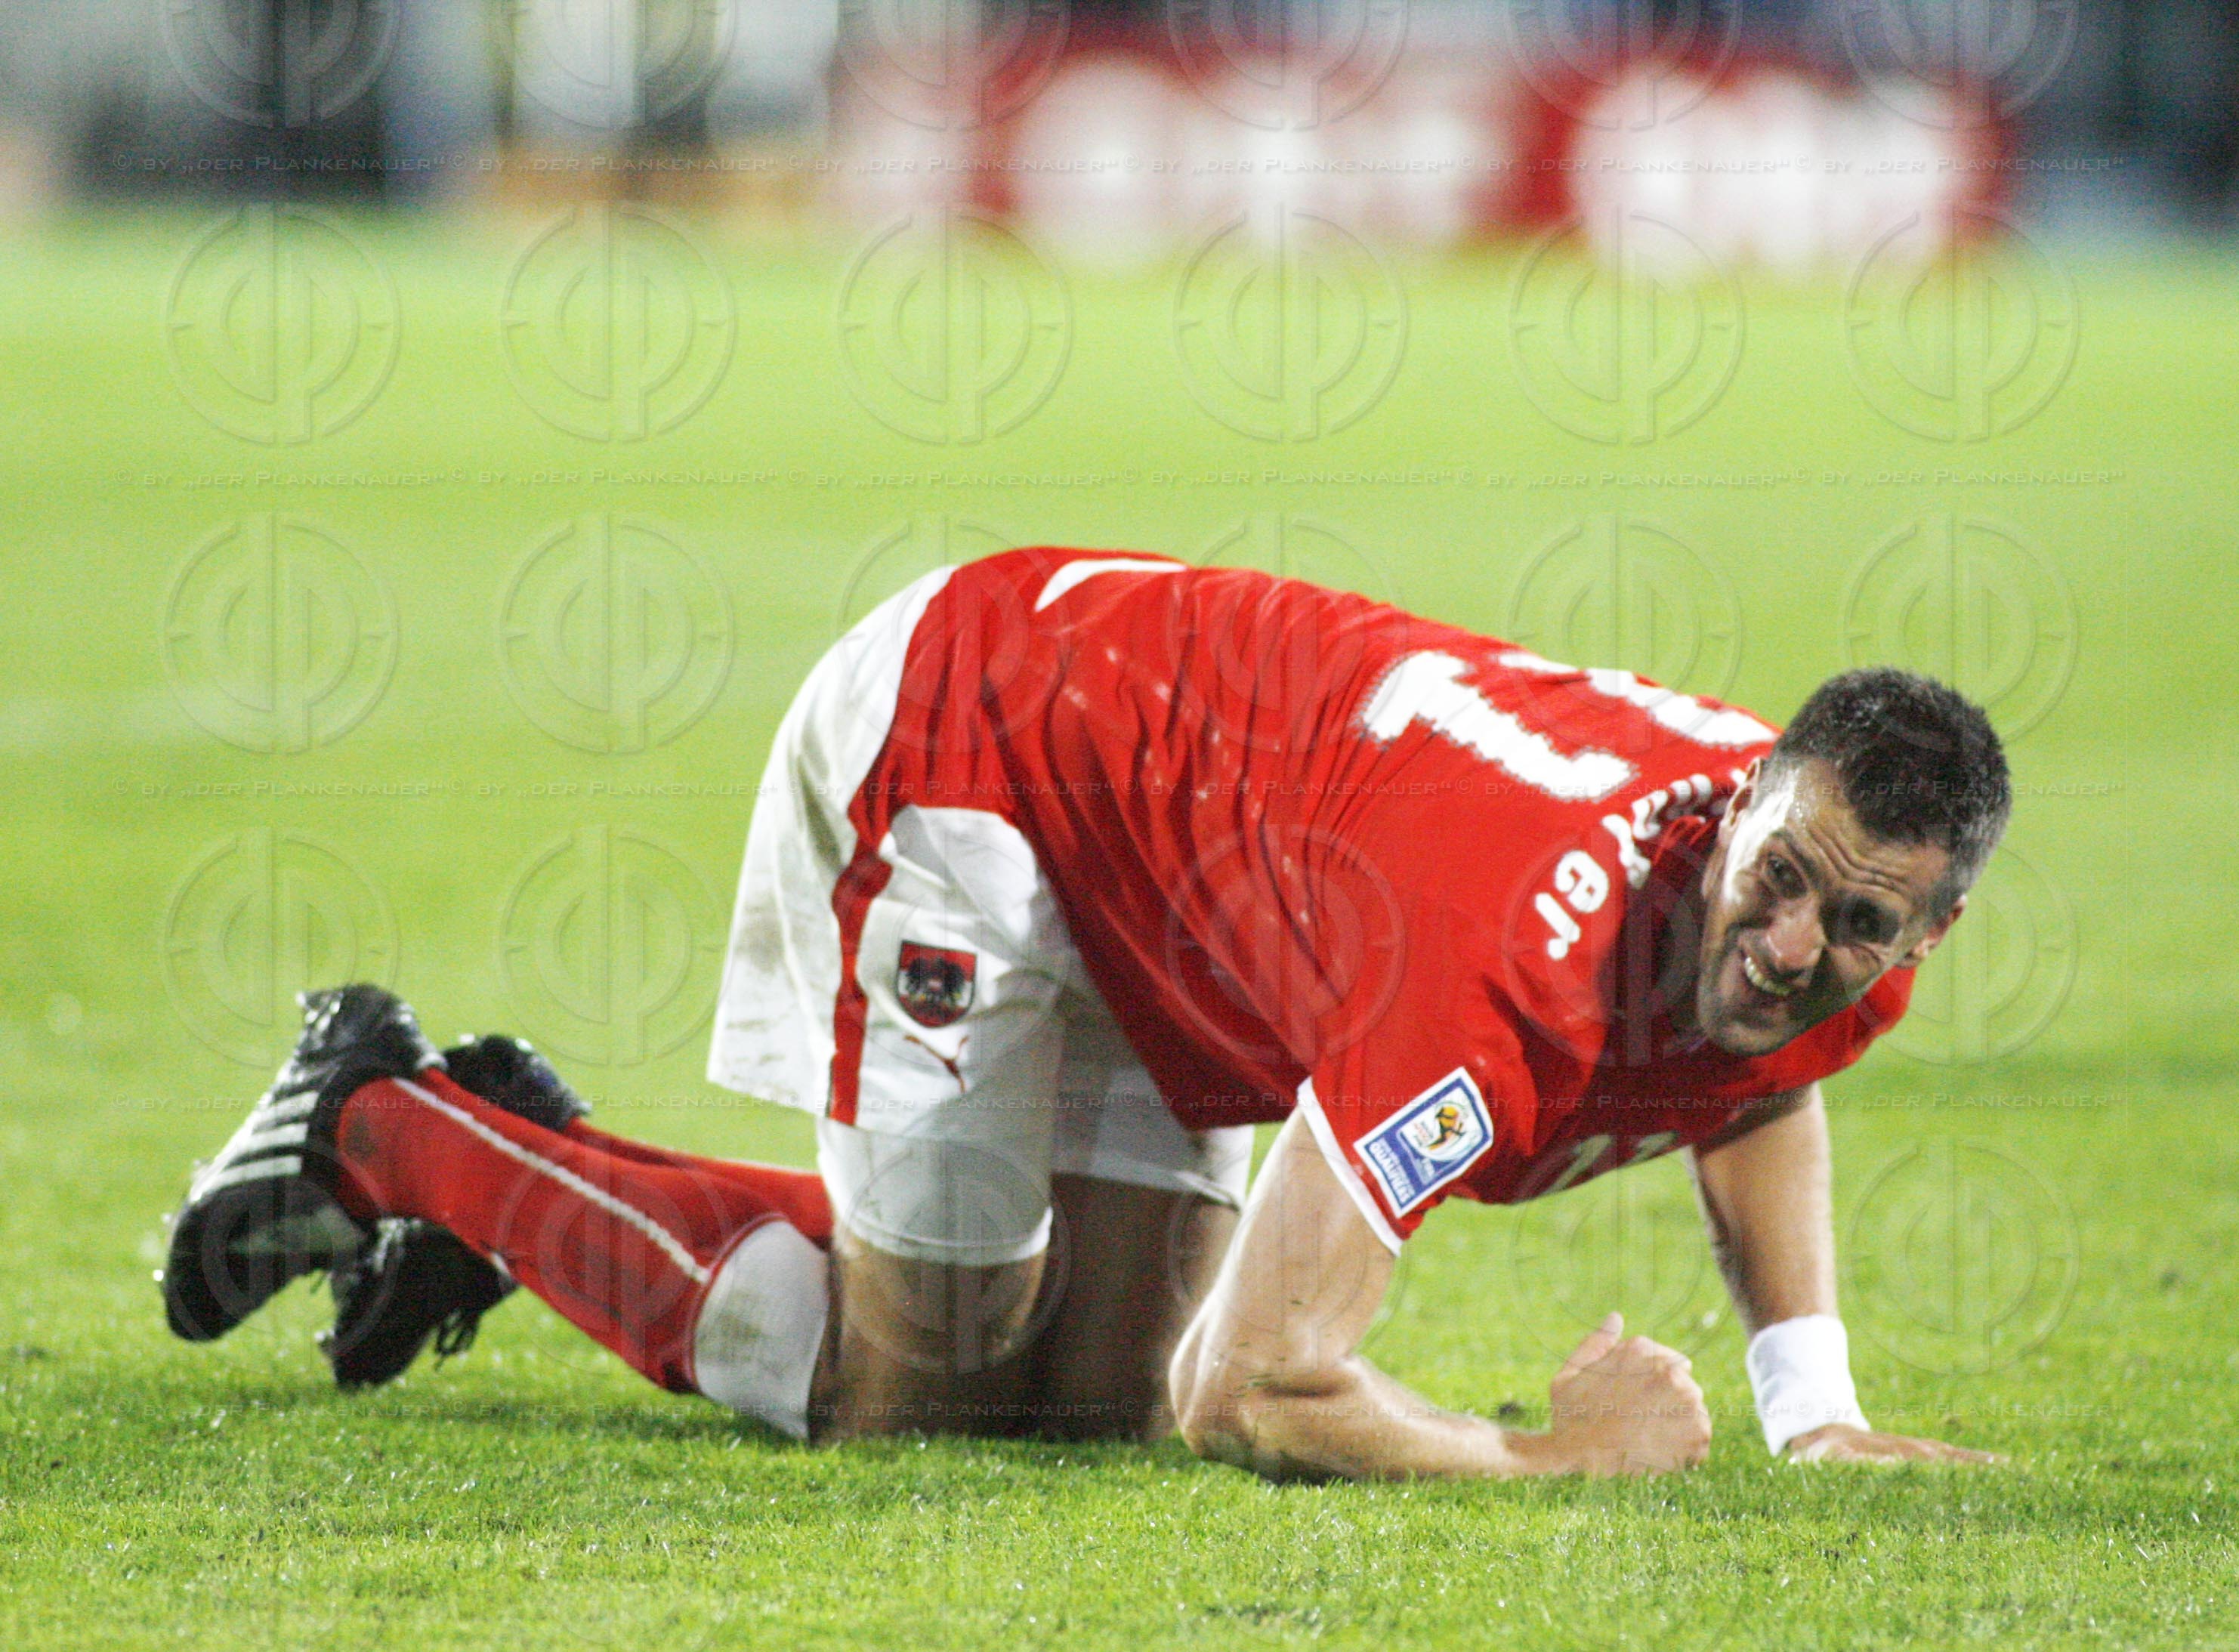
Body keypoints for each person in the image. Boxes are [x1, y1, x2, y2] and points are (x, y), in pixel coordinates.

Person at [161, 546, 2011, 1477]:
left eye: (1856, 924)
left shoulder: (1823, 907)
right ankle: (394, 1123)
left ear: (1925, 926)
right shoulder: (1499, 962)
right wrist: (1538, 1456)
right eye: (1775, 879)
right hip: (983, 745)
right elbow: (1259, 1382)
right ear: (1744, 797)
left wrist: (1813, 1409)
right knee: (912, 1392)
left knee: (1081, 1407)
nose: (1788, 945)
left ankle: (494, 1142)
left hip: (1197, 872)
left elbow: (1760, 1083)